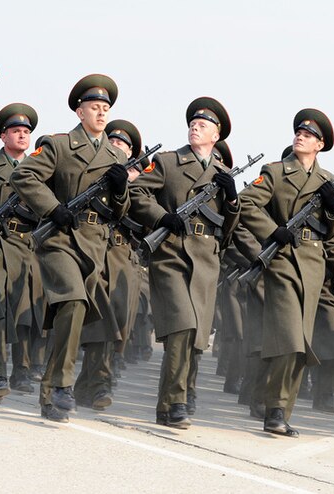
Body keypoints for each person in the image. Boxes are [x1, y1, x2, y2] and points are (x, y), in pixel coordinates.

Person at [10, 74, 129, 423]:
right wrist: (51, 207)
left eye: (106, 108)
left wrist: (121, 190)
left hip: (94, 245)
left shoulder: (114, 155)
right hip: (61, 238)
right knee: (74, 301)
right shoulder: (60, 145)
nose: (102, 113)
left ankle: (51, 388)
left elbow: (119, 212)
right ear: (80, 112)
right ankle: (60, 386)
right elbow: (24, 177)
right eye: (95, 107)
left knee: (77, 314)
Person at [129, 97, 239, 429]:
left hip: (206, 260)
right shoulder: (167, 162)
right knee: (181, 327)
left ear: (216, 135)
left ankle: (181, 396)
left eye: (203, 124)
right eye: (193, 122)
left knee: (196, 337)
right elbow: (137, 195)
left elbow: (229, 231)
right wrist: (163, 216)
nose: (195, 126)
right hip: (173, 254)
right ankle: (174, 401)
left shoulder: (222, 174)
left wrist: (232, 199)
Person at [239, 109, 334, 437]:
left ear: (320, 145)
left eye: (309, 135)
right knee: (290, 339)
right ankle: (276, 409)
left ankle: (275, 405)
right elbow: (246, 203)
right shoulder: (276, 171)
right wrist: (271, 231)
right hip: (283, 260)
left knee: (299, 344)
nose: (300, 136)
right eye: (298, 132)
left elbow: (331, 229)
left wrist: (333, 207)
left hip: (312, 265)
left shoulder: (328, 182)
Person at [0, 102, 45, 402]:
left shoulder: (39, 169)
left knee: (22, 316)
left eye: (26, 132)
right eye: (16, 131)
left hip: (27, 249)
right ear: (3, 136)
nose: (22, 136)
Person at [74, 118, 145, 411]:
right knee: (100, 322)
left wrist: (125, 189)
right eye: (111, 141)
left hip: (124, 257)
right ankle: (97, 383)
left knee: (118, 327)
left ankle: (91, 382)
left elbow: (144, 220)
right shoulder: (89, 173)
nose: (116, 146)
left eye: (122, 145)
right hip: (95, 252)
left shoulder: (140, 182)